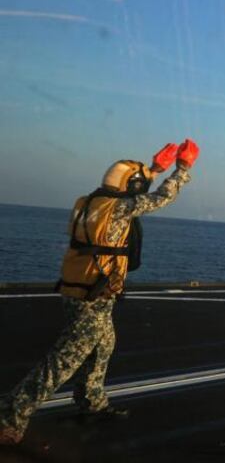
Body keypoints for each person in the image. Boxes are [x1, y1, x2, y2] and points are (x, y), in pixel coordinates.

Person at [0, 139, 200, 446]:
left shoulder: (88, 201)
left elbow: (130, 190)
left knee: (104, 344)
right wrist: (182, 169)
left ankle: (91, 401)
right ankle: (10, 417)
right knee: (62, 361)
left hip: (76, 288)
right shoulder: (120, 208)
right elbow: (160, 198)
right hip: (93, 295)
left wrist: (155, 167)